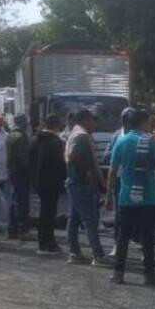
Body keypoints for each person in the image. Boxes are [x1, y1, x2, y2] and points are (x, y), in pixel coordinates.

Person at [105, 107, 155, 286]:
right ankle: (149, 274)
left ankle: (118, 273)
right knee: (147, 237)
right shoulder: (150, 141)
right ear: (142, 122)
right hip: (148, 197)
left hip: (126, 197)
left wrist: (109, 195)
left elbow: (112, 170)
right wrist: (154, 167)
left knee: (123, 236)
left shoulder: (121, 141)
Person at [64, 109, 109, 265]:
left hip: (74, 182)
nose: (94, 124)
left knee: (74, 219)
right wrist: (87, 171)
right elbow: (73, 156)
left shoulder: (75, 133)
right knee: (90, 220)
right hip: (81, 183)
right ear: (84, 120)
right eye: (92, 120)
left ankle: (74, 252)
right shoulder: (82, 136)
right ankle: (98, 255)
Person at [29, 114, 66, 256]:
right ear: (56, 125)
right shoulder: (57, 142)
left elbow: (30, 160)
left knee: (44, 212)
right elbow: (61, 165)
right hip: (52, 182)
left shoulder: (34, 140)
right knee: (50, 213)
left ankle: (42, 242)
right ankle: (49, 243)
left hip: (38, 182)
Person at [6, 114, 32, 240]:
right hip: (21, 173)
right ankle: (23, 230)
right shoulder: (21, 137)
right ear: (23, 123)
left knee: (14, 200)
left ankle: (13, 228)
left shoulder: (10, 135)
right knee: (22, 202)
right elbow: (23, 159)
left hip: (13, 172)